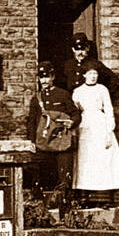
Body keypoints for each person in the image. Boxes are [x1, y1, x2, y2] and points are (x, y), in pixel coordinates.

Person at [70, 60, 119, 205]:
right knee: (86, 161)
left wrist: (109, 131)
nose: (93, 76)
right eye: (90, 74)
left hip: (100, 126)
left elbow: (109, 109)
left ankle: (105, 197)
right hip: (85, 128)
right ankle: (86, 196)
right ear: (84, 75)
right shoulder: (78, 92)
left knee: (103, 160)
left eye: (95, 73)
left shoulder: (102, 89)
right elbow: (73, 112)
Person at [25, 60, 80, 195]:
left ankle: (65, 205)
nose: (44, 81)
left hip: (61, 141)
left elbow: (75, 114)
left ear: (53, 77)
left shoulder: (63, 94)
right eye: (41, 77)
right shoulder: (36, 98)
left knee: (64, 175)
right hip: (43, 140)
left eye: (47, 77)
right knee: (40, 173)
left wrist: (71, 122)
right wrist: (31, 141)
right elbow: (32, 121)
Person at [62, 33, 119, 99]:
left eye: (83, 49)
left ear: (88, 48)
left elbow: (114, 80)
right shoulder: (67, 65)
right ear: (73, 49)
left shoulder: (95, 64)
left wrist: (103, 96)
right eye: (77, 49)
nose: (80, 52)